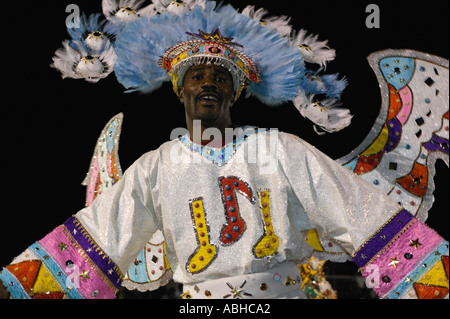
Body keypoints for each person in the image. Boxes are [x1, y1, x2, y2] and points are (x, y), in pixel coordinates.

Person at [1, 0, 448, 299]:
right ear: (180, 91)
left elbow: (359, 211)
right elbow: (97, 238)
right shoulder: (155, 168)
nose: (208, 84)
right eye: (197, 76)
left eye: (221, 78)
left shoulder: (281, 149)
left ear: (235, 93)